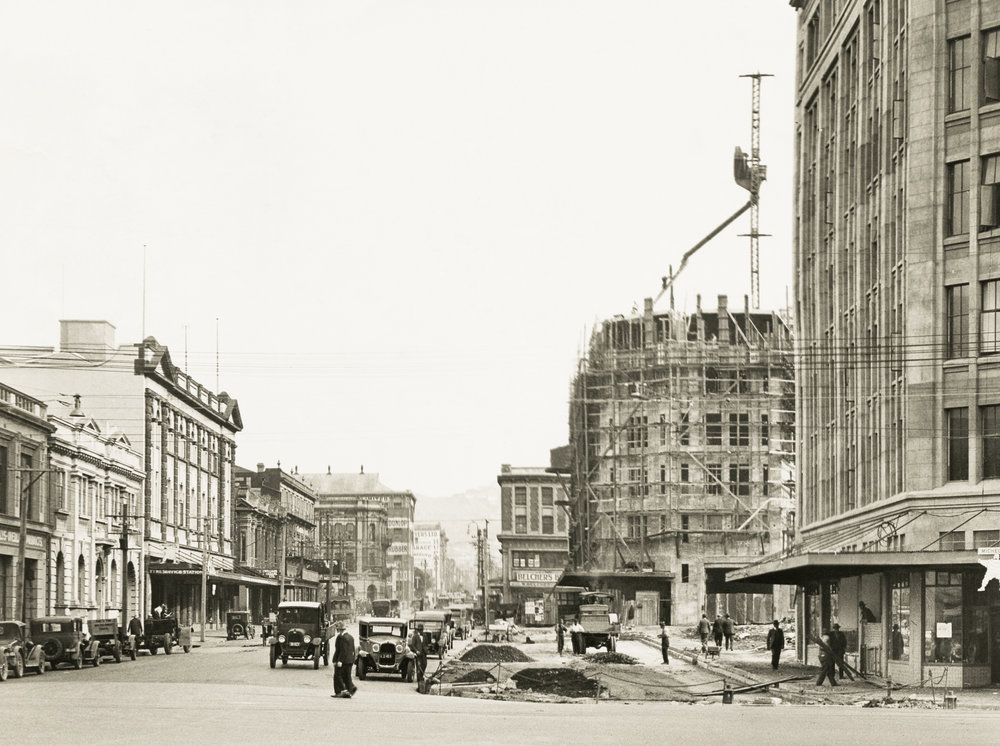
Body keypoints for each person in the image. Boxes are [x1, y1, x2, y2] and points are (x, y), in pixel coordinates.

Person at [331, 621, 357, 698]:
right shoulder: (351, 637)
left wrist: (339, 661)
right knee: (347, 676)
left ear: (340, 629)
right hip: (349, 660)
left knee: (337, 675)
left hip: (343, 660)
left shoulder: (342, 638)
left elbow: (342, 650)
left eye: (338, 629)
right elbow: (352, 649)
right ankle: (350, 690)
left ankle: (341, 691)